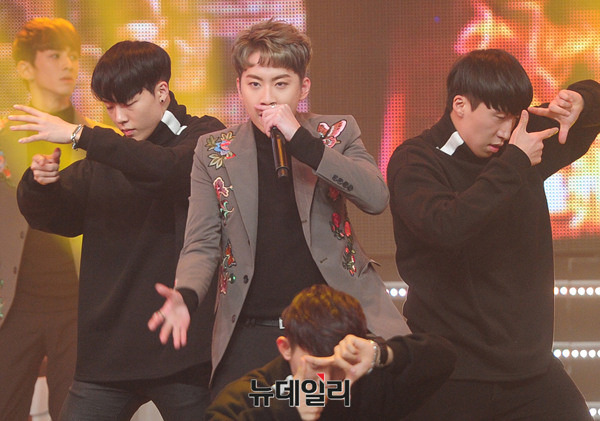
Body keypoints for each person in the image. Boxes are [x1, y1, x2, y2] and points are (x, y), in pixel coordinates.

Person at [148, 19, 410, 396]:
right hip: (252, 328)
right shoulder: (214, 150)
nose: (266, 98)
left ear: (304, 87)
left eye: (280, 84)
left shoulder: (336, 132)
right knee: (242, 410)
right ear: (239, 86)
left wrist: (303, 143)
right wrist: (186, 294)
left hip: (334, 326)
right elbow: (202, 241)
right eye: (255, 83)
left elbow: (375, 197)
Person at [13, 40, 224, 420]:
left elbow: (169, 171)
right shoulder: (108, 154)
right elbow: (56, 217)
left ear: (162, 92)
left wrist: (82, 135)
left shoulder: (205, 135)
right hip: (107, 357)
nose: (119, 118)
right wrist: (41, 184)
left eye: (128, 103)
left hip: (184, 353)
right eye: (110, 107)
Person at [387, 48, 600, 420]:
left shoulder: (519, 142)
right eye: (498, 118)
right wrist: (515, 162)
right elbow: (446, 226)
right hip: (451, 370)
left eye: (514, 119)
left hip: (530, 369)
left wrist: (582, 99)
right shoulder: (416, 160)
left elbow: (582, 121)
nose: (505, 132)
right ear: (460, 105)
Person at [0, 17, 113, 420]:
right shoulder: (3, 136)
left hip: (80, 305)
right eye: (54, 55)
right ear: (25, 68)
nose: (68, 64)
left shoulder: (97, 139)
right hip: (13, 304)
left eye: (74, 56)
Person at [206, 284, 456, 420]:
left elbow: (444, 357)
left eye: (336, 368)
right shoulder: (251, 393)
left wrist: (379, 352)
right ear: (285, 348)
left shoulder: (367, 386)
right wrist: (287, 412)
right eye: (315, 366)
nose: (325, 381)